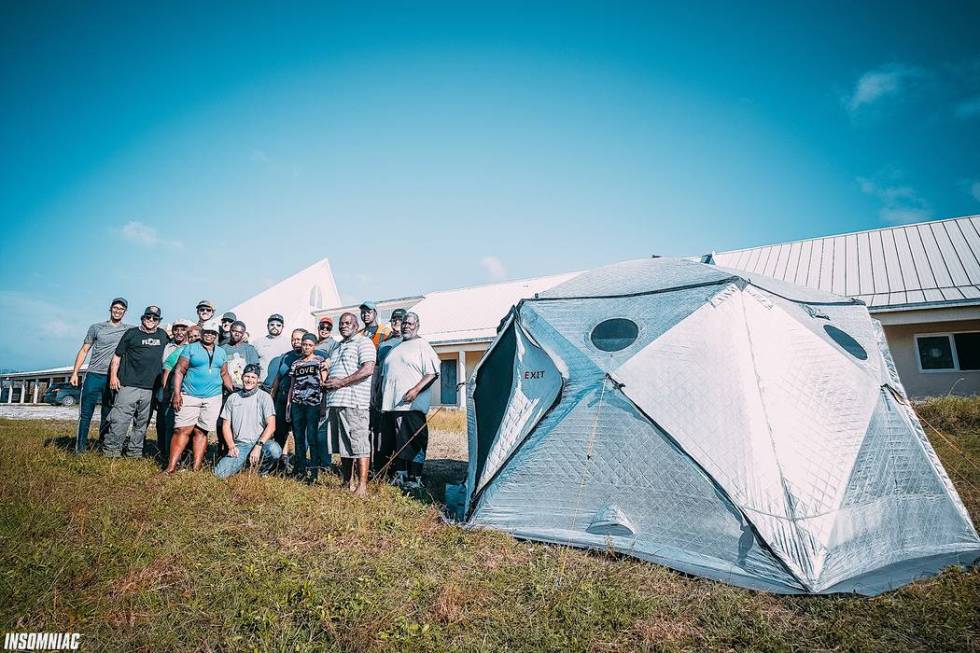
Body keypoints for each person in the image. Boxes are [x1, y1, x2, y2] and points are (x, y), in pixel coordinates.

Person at [164, 319, 232, 474]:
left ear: (216, 335)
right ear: (202, 333)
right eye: (207, 332)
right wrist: (176, 393)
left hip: (212, 397)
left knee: (202, 431)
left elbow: (224, 373)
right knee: (182, 430)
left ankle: (196, 468)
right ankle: (171, 467)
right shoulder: (190, 349)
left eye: (213, 333)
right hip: (189, 395)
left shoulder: (221, 352)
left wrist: (234, 390)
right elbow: (179, 371)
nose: (209, 335)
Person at [380, 312, 440, 487]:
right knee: (398, 442)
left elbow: (432, 373)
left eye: (410, 323)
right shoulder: (396, 347)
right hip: (391, 405)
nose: (406, 325)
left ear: (417, 326)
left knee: (414, 441)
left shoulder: (422, 345)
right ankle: (400, 475)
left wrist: (416, 389)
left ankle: (414, 479)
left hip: (411, 405)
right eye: (404, 322)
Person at [69, 297, 133, 453]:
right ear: (110, 309)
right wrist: (75, 373)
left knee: (108, 414)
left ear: (125, 312)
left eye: (121, 309)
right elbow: (84, 350)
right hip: (94, 375)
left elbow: (149, 331)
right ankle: (80, 448)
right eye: (115, 308)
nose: (118, 311)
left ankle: (102, 446)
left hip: (113, 378)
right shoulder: (96, 328)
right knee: (86, 413)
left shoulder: (129, 330)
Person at [103, 306, 168, 458]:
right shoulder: (131, 333)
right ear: (142, 318)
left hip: (151, 388)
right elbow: (117, 356)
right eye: (148, 317)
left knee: (142, 423)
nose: (151, 320)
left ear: (159, 321)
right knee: (120, 421)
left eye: (155, 318)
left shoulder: (163, 335)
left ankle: (134, 453)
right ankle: (111, 452)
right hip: (128, 384)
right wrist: (113, 376)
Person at [323, 312, 376, 496]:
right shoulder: (337, 346)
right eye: (341, 323)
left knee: (359, 443)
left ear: (356, 325)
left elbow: (368, 369)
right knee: (343, 445)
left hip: (354, 402)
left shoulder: (364, 342)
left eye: (348, 322)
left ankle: (362, 486)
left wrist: (341, 382)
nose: (344, 325)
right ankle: (347, 482)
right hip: (336, 402)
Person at [213, 364, 281, 479]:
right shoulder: (233, 398)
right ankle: (244, 463)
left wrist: (258, 446)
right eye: (247, 376)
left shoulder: (265, 397)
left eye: (253, 377)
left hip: (260, 443)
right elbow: (226, 426)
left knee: (275, 450)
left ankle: (262, 471)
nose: (249, 380)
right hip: (240, 444)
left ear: (258, 380)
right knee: (219, 474)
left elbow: (271, 426)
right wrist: (230, 446)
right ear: (242, 377)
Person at [287, 333, 328, 483]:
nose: (306, 347)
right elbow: (292, 386)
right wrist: (288, 406)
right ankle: (300, 470)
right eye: (305, 344)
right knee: (299, 438)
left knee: (312, 438)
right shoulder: (295, 364)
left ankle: (314, 472)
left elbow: (324, 385)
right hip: (297, 404)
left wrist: (323, 406)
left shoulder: (320, 361)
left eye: (310, 345)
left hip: (313, 405)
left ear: (314, 346)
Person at [157, 323, 199, 465]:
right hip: (179, 394)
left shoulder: (208, 352)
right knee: (175, 427)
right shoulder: (182, 350)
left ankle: (189, 460)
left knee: (194, 429)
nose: (194, 339)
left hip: (197, 395)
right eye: (191, 337)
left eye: (196, 336)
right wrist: (167, 390)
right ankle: (171, 458)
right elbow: (167, 367)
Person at [371, 308, 406, 475]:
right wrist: (373, 391)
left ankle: (401, 470)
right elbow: (377, 370)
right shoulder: (383, 344)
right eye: (394, 319)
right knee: (381, 434)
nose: (396, 322)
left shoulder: (411, 342)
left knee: (402, 433)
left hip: (403, 397)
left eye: (400, 319)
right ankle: (380, 469)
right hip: (383, 395)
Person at [269, 328, 307, 453]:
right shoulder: (286, 356)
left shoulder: (309, 357)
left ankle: (299, 465)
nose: (295, 342)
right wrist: (272, 396)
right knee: (279, 433)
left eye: (299, 339)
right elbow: (278, 378)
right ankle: (279, 464)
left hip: (298, 402)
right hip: (281, 399)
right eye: (293, 339)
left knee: (300, 435)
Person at [221, 320, 260, 390]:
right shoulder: (222, 349)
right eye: (234, 331)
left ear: (243, 334)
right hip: (226, 388)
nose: (237, 334)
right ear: (230, 331)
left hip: (245, 388)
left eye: (240, 332)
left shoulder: (249, 349)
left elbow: (254, 370)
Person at [253, 313, 289, 384]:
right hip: (262, 383)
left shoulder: (289, 343)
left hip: (282, 384)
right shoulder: (257, 342)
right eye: (272, 325)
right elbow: (253, 364)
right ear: (267, 326)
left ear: (282, 327)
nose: (275, 327)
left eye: (278, 325)